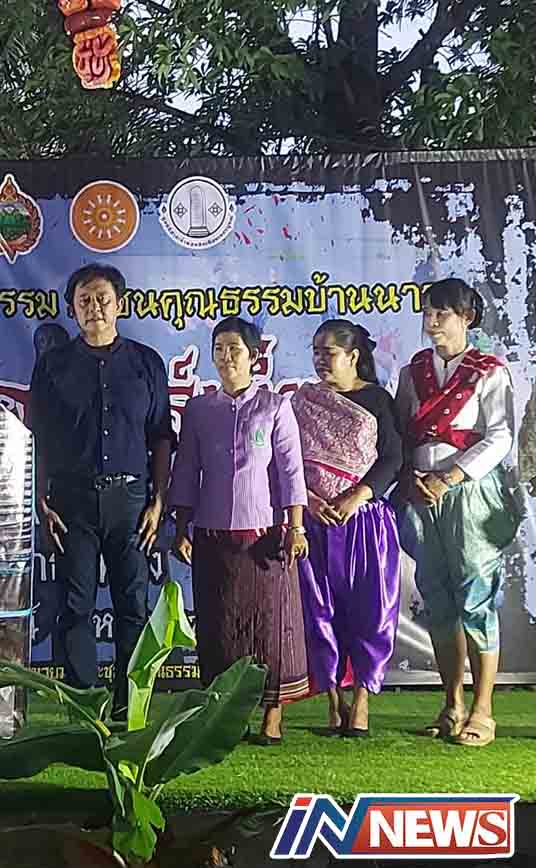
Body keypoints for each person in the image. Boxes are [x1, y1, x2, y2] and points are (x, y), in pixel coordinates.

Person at [30, 263, 172, 718]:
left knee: (134, 606)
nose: (94, 308)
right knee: (75, 606)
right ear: (72, 309)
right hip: (71, 502)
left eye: (102, 299)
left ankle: (130, 709)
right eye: (84, 300)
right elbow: (38, 437)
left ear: (119, 305)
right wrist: (40, 500)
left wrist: (159, 500)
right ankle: (85, 709)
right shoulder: (53, 365)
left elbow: (161, 437)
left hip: (132, 502)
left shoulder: (146, 363)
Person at [168, 316, 309, 744]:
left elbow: (291, 471)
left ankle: (272, 715)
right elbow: (186, 470)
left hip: (265, 537)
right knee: (219, 627)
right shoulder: (198, 410)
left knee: (270, 627)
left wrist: (296, 527)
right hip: (211, 536)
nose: (226, 357)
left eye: (235, 349)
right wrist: (181, 527)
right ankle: (225, 716)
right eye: (219, 348)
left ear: (254, 357)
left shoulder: (275, 406)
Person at [394, 279, 520, 748]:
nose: (431, 322)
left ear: (466, 317)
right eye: (427, 312)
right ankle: (452, 704)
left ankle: (483, 710)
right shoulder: (413, 371)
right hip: (421, 495)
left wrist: (450, 477)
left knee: (475, 597)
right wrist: (410, 477)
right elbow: (403, 432)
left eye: (441, 313)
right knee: (438, 598)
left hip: (468, 493)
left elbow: (500, 435)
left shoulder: (489, 371)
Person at [291, 320, 403, 737]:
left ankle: (362, 702)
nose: (321, 360)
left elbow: (393, 457)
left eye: (330, 352)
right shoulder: (303, 401)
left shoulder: (376, 399)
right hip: (315, 522)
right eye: (316, 351)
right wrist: (308, 500)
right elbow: (287, 459)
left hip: (364, 523)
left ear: (353, 356)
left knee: (370, 612)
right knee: (318, 612)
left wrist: (358, 496)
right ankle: (333, 702)